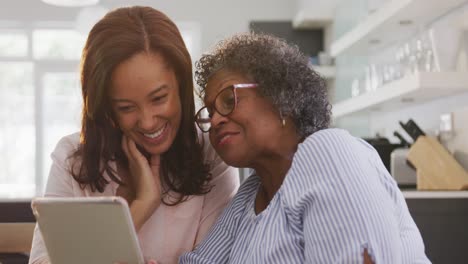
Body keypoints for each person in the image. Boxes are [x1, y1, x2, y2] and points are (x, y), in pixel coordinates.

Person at [180, 33, 431, 263]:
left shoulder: (329, 152)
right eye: (209, 112)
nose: (214, 120)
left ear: (282, 97)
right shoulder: (250, 194)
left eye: (228, 100)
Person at [29, 6, 239, 264]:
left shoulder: (211, 152)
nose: (148, 122)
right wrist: (138, 209)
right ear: (106, 108)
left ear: (181, 87)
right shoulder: (73, 158)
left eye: (159, 98)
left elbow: (218, 259)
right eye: (126, 107)